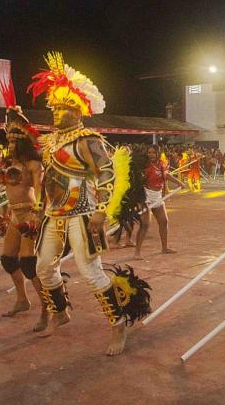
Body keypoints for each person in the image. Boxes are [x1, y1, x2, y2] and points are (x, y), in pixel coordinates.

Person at [29, 52, 151, 355]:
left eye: (64, 107)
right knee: (43, 268)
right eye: (54, 107)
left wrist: (100, 211)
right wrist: (38, 208)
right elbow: (47, 179)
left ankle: (118, 324)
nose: (57, 113)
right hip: (52, 215)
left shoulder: (89, 139)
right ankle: (60, 312)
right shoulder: (49, 141)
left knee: (91, 272)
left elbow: (107, 174)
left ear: (79, 110)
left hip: (82, 215)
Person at [0, 102, 47, 330]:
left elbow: (39, 187)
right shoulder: (11, 163)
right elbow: (0, 178)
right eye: (9, 141)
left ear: (23, 142)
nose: (10, 145)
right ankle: (23, 300)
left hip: (29, 215)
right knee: (8, 260)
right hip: (14, 216)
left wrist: (39, 209)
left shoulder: (33, 163)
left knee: (29, 263)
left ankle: (46, 307)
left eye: (14, 141)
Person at [132, 145, 186, 258]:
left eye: (153, 152)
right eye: (149, 152)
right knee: (145, 224)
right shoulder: (144, 165)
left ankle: (164, 248)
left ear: (158, 153)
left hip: (158, 196)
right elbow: (136, 180)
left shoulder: (161, 164)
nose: (151, 154)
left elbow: (166, 175)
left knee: (164, 221)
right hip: (145, 196)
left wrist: (179, 183)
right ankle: (137, 252)